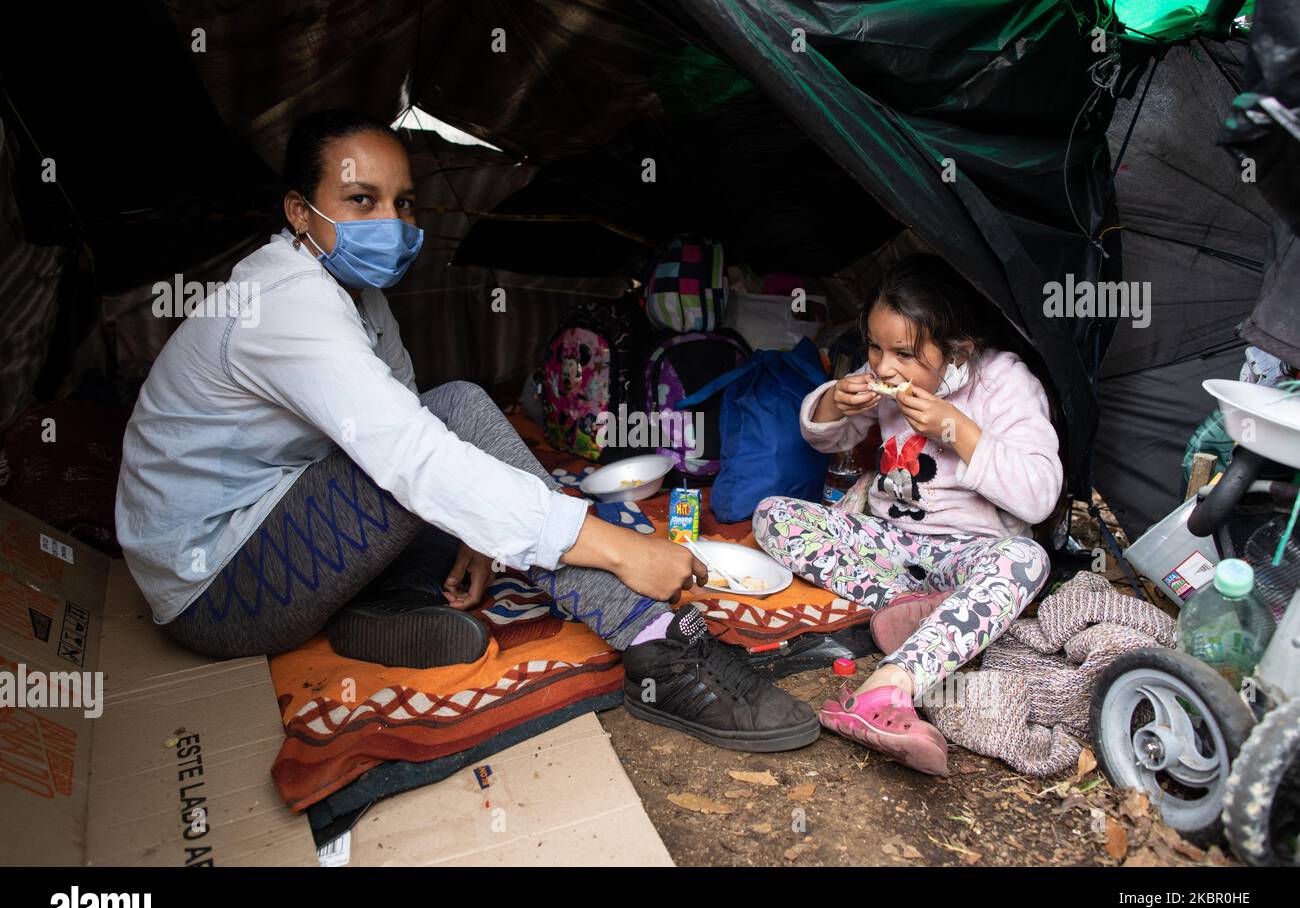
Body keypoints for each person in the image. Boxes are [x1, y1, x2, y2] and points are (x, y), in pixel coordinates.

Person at [114, 108, 818, 753]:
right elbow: (415, 451)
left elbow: (410, 435)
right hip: (215, 587)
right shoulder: (284, 303)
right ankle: (653, 637)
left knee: (459, 444)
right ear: (300, 211)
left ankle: (380, 605)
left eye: (403, 203)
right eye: (361, 201)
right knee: (451, 420)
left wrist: (478, 530)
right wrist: (617, 547)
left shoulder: (354, 297)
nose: (390, 222)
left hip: (281, 519)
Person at [752, 254, 1061, 774]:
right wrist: (835, 401)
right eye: (875, 346)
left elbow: (1039, 496)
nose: (884, 365)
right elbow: (827, 437)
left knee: (1027, 561)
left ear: (958, 350)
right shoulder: (882, 375)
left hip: (972, 549)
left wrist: (956, 428)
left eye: (904, 352)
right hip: (890, 544)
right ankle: (912, 605)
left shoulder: (1007, 383)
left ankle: (889, 687)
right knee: (772, 515)